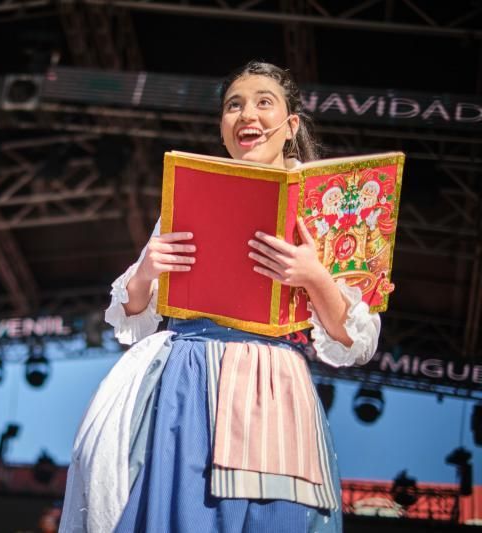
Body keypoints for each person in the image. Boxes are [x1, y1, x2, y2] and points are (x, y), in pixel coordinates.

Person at [59, 61, 381, 533]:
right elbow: (131, 317)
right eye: (234, 105)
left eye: (263, 102)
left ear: (291, 125)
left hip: (276, 385)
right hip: (188, 382)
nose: (247, 114)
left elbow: (353, 344)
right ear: (223, 128)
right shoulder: (194, 195)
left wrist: (315, 275)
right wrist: (148, 269)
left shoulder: (328, 208)